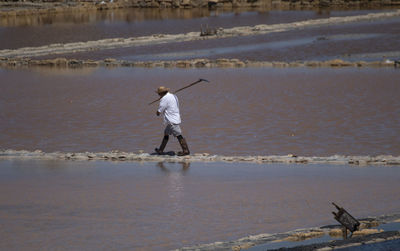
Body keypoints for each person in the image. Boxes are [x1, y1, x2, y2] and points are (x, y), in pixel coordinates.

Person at [155, 86, 190, 156]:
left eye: (159, 94)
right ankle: (161, 150)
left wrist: (157, 112)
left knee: (178, 135)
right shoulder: (173, 96)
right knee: (166, 133)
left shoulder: (164, 98)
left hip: (172, 120)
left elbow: (160, 110)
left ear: (161, 93)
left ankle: (186, 150)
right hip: (174, 118)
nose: (158, 95)